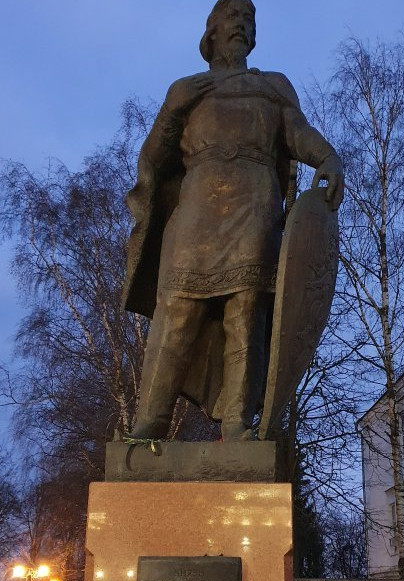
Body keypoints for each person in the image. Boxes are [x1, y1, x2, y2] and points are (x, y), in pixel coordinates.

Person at [124, 0, 343, 440]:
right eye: (233, 18)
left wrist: (328, 156)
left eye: (249, 20)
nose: (242, 25)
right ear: (212, 32)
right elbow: (153, 159)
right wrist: (171, 112)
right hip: (197, 208)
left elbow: (297, 133)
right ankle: (150, 423)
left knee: (245, 313)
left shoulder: (273, 87)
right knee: (176, 310)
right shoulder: (185, 90)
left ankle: (237, 422)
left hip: (254, 205)